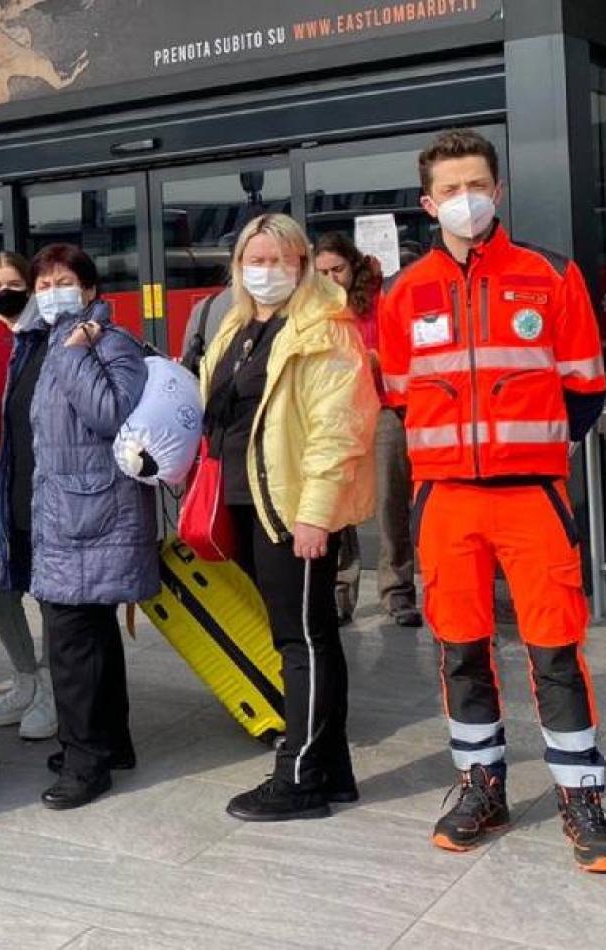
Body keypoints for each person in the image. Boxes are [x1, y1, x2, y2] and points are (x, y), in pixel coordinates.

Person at [378, 129, 606, 872]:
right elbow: (398, 399)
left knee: (555, 647)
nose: (465, 199)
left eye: (475, 184)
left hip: (531, 498)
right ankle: (481, 783)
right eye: (449, 190)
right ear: (428, 204)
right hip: (446, 500)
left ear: (499, 189)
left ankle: (581, 794)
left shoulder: (551, 274)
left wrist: (527, 453)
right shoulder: (402, 291)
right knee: (459, 647)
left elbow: (586, 388)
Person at [199, 214, 379, 823]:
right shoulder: (237, 325)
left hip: (292, 509)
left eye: (280, 260)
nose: (266, 270)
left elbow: (339, 429)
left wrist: (316, 515)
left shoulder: (325, 329)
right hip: (247, 502)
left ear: (302, 265)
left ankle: (298, 777)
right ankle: (333, 771)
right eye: (256, 259)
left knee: (301, 641)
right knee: (308, 634)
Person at [25, 243, 157, 811]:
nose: (52, 290)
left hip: (92, 515)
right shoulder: (52, 341)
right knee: (94, 635)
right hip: (68, 513)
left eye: (64, 280)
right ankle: (109, 743)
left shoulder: (113, 343)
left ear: (91, 290)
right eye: (44, 282)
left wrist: (76, 357)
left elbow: (111, 414)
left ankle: (85, 764)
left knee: (71, 642)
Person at [315, 231, 421, 628]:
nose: (330, 278)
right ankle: (341, 592)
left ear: (352, 264)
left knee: (391, 502)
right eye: (322, 271)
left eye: (337, 269)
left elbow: (401, 345)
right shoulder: (312, 305)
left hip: (381, 408)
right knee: (339, 504)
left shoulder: (378, 296)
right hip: (336, 413)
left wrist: (372, 360)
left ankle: (397, 592)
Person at [0, 251, 57, 741]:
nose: (5, 290)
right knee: (0, 591)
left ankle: (52, 688)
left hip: (40, 477)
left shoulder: (46, 331)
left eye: (13, 282)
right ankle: (26, 680)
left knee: (47, 590)